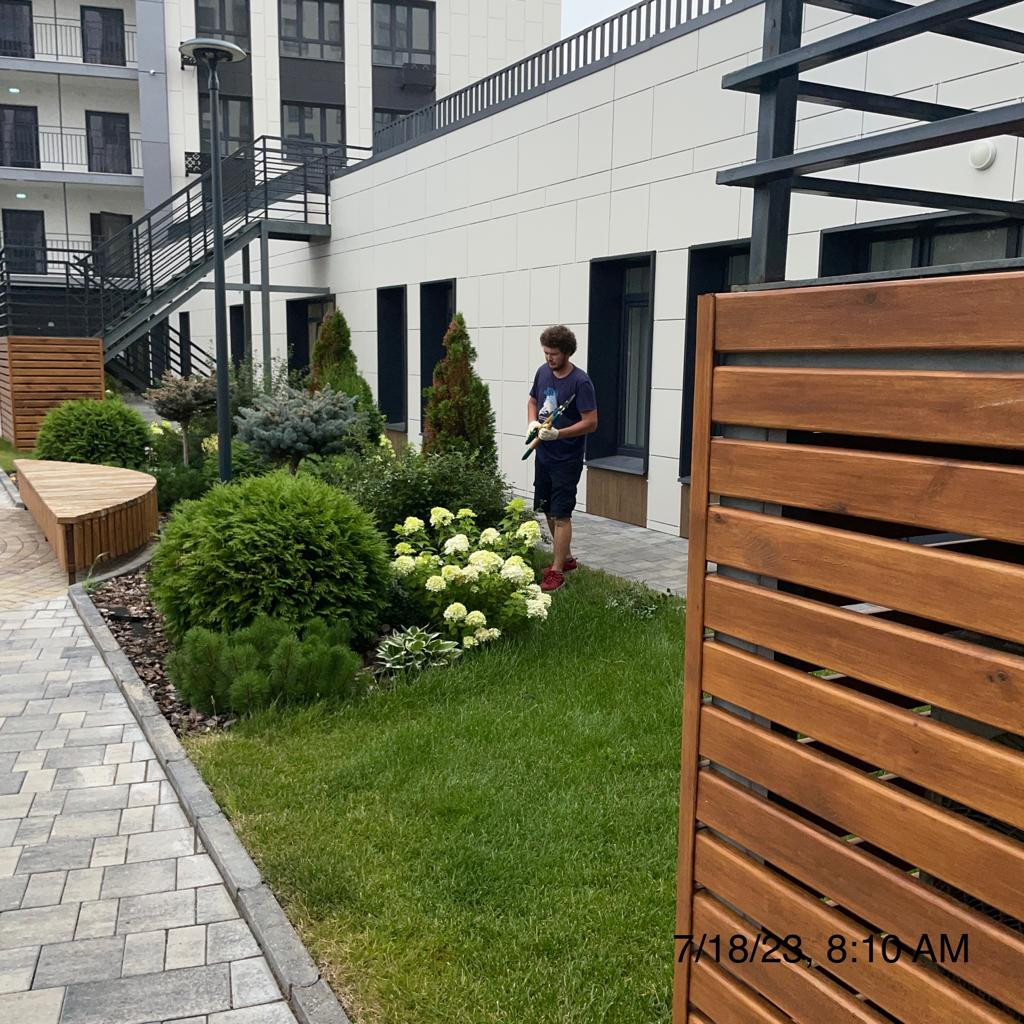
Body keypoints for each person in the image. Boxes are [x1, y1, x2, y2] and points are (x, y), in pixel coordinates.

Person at [527, 325, 598, 592]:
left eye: (554, 354)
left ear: (567, 353)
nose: (549, 358)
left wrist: (559, 434)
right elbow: (532, 400)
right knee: (547, 507)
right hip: (543, 455)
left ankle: (557, 572)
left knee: (561, 514)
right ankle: (565, 558)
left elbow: (591, 422)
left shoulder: (581, 382)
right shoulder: (542, 372)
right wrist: (533, 422)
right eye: (546, 353)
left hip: (566, 458)